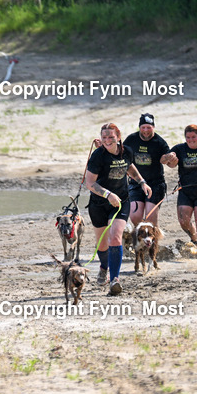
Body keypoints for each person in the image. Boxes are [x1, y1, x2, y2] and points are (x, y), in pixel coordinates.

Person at [84, 123, 149, 295]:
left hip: (121, 201)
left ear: (118, 136)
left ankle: (115, 280)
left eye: (111, 137)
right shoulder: (98, 156)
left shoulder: (126, 151)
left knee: (116, 237)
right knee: (102, 244)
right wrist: (107, 195)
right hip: (99, 204)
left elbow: (130, 167)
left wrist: (142, 182)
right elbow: (89, 183)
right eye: (104, 137)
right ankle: (104, 266)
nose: (107, 140)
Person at [122, 113, 171, 229]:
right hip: (136, 183)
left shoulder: (160, 142)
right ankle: (142, 241)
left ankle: (154, 244)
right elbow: (121, 157)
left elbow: (171, 163)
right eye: (143, 127)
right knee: (135, 217)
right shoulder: (131, 140)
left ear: (153, 127)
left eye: (148, 127)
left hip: (155, 184)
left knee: (150, 219)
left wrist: (170, 159)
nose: (146, 130)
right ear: (139, 127)